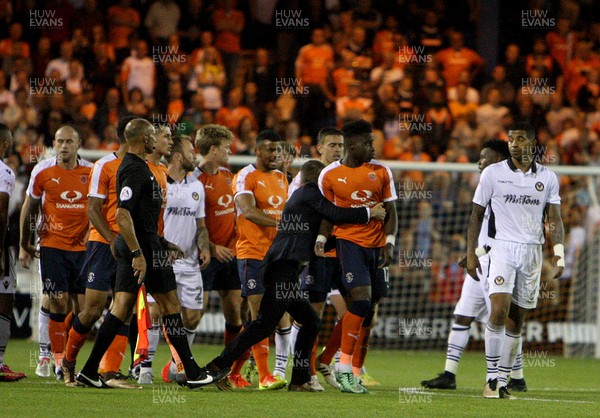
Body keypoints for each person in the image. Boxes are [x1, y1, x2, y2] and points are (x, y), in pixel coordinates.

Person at [201, 160, 386, 391]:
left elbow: (321, 228)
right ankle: (218, 367)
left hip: (287, 269)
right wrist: (369, 212)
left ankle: (299, 379)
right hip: (282, 268)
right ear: (319, 179)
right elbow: (335, 213)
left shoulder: (307, 199)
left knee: (310, 321)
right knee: (263, 325)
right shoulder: (308, 193)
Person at [76, 118, 222, 389]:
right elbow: (122, 213)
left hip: (147, 246)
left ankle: (87, 370)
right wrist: (138, 253)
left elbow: (142, 218)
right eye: (154, 135)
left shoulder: (142, 168)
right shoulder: (134, 169)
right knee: (170, 307)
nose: (157, 139)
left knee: (120, 309)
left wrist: (163, 242)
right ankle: (191, 371)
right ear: (145, 140)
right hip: (143, 251)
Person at [466, 122, 564, 399]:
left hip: (532, 251)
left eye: (520, 139)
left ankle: (505, 380)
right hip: (501, 249)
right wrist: (472, 253)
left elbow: (554, 218)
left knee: (517, 320)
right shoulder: (493, 174)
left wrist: (560, 254)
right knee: (498, 310)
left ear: (532, 143)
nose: (513, 144)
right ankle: (491, 380)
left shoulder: (547, 177)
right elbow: (475, 215)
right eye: (510, 139)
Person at [422, 139, 527, 392]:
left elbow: (506, 235)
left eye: (484, 157)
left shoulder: (508, 191)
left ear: (499, 160)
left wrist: (475, 252)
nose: (479, 162)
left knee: (505, 318)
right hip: (478, 262)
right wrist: (472, 253)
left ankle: (516, 376)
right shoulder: (486, 185)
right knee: (462, 315)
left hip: (498, 263)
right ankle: (449, 374)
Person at [317, 119, 398, 394]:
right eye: (369, 142)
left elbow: (391, 211)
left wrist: (389, 242)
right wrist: (319, 239)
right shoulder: (328, 175)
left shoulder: (382, 171)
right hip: (347, 244)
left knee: (368, 310)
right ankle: (344, 368)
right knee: (360, 302)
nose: (374, 147)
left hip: (376, 248)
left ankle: (344, 367)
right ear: (353, 145)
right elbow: (327, 214)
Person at [61, 116, 136, 388]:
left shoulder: (147, 167)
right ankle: (68, 362)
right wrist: (112, 239)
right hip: (103, 244)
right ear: (130, 136)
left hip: (131, 246)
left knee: (124, 308)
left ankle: (109, 371)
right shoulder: (104, 165)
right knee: (92, 309)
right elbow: (92, 209)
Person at [19, 125, 93, 384]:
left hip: (84, 248)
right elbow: (30, 206)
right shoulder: (43, 171)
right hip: (52, 245)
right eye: (59, 141)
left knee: (85, 309)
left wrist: (94, 232)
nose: (64, 146)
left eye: (69, 142)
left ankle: (64, 354)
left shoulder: (91, 171)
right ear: (54, 143)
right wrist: (24, 242)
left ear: (78, 144)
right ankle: (57, 360)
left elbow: (100, 206)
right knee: (57, 299)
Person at [232, 129, 288, 390]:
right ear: (257, 151)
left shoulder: (281, 177)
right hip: (252, 253)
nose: (275, 154)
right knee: (259, 317)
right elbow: (248, 211)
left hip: (276, 256)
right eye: (269, 149)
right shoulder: (245, 176)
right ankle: (265, 375)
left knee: (268, 318)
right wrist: (283, 222)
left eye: (277, 150)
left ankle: (231, 371)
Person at [193, 124, 248, 388]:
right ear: (213, 150)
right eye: (226, 147)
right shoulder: (194, 180)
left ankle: (225, 370)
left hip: (231, 255)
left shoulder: (229, 175)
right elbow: (188, 221)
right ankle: (180, 364)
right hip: (204, 256)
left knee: (235, 315)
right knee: (193, 315)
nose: (230, 151)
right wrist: (212, 247)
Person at [160, 135, 210, 383]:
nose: (195, 156)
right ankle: (143, 368)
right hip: (162, 261)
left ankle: (176, 365)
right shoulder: (159, 181)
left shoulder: (196, 186)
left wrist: (205, 247)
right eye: (191, 152)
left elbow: (200, 225)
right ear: (178, 156)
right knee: (153, 312)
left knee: (192, 316)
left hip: (190, 262)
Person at [0, 124, 25, 381]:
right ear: (6, 144)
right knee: (5, 299)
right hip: (2, 244)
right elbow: (1, 213)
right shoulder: (4, 172)